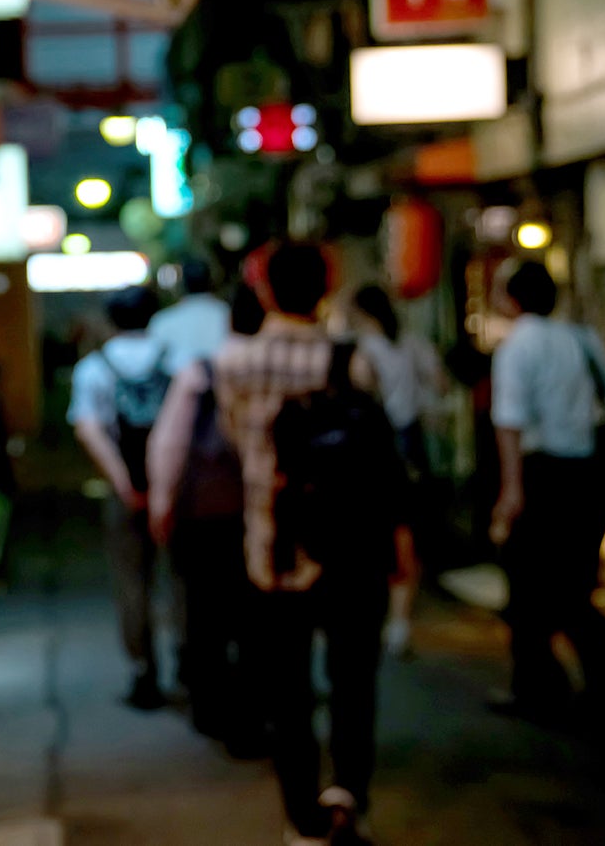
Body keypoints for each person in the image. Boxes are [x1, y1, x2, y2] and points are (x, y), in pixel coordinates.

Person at [214, 243, 392, 846]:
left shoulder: (233, 362)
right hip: (349, 542)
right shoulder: (351, 361)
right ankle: (348, 798)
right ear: (326, 289)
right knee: (353, 681)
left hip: (274, 546)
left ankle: (302, 818)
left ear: (263, 291)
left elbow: (239, 443)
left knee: (287, 691)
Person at [489, 260, 605, 725]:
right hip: (589, 476)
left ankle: (540, 688)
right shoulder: (582, 339)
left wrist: (510, 492)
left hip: (542, 474)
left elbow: (509, 423)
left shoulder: (517, 347)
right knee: (574, 586)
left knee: (528, 589)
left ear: (512, 299)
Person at [148, 282, 267, 754]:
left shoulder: (203, 371)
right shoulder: (283, 366)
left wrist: (162, 500)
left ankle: (213, 709)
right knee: (258, 619)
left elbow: (171, 442)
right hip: (267, 513)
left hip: (210, 512)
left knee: (206, 615)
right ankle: (259, 711)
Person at [69, 285, 171, 710]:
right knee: (185, 580)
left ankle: (143, 670)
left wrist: (124, 483)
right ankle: (192, 661)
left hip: (126, 490)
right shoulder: (176, 360)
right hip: (177, 487)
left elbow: (89, 428)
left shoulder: (94, 368)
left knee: (133, 581)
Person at [348, 284, 445, 657]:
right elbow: (439, 382)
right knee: (406, 534)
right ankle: (400, 622)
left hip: (373, 447)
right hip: (411, 443)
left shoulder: (361, 350)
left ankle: (377, 617)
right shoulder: (412, 342)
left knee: (373, 532)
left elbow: (359, 392)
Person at [148, 256, 231, 375]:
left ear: (181, 284)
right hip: (226, 383)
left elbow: (156, 361)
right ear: (211, 280)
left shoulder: (163, 320)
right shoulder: (226, 313)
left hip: (178, 385)